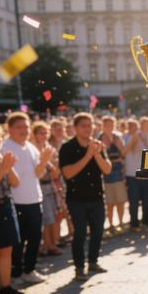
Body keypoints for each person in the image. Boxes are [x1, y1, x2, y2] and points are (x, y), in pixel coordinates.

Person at [59, 112, 112, 282]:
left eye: (90, 126)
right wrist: (88, 155)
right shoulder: (67, 147)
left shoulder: (97, 146)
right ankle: (79, 267)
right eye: (84, 126)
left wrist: (96, 154)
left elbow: (107, 169)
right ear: (75, 128)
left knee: (97, 232)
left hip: (96, 197)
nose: (88, 129)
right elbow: (68, 173)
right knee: (80, 233)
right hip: (76, 199)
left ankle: (93, 262)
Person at [2, 112, 53, 285]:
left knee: (34, 238)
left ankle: (29, 270)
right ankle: (15, 274)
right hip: (16, 202)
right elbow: (11, 181)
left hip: (34, 199)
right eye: (19, 127)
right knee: (17, 242)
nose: (24, 130)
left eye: (26, 126)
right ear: (9, 129)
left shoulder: (30, 147)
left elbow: (38, 173)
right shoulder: (5, 148)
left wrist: (44, 161)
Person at [0, 122, 22, 294]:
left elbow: (15, 182)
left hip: (5, 205)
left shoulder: (1, 157)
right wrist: (3, 169)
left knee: (7, 249)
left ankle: (6, 286)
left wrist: (8, 167)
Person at [31, 121, 62, 257]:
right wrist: (47, 162)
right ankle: (47, 245)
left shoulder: (49, 148)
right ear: (35, 134)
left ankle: (50, 243)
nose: (44, 136)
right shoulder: (32, 148)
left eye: (46, 133)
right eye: (41, 133)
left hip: (50, 184)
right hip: (38, 186)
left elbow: (56, 171)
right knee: (45, 218)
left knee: (52, 217)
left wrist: (51, 163)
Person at [123, 118, 148, 230]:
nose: (133, 129)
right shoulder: (127, 137)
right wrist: (134, 140)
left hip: (145, 173)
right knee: (134, 200)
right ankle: (134, 223)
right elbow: (124, 152)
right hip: (132, 174)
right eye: (130, 126)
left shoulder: (147, 136)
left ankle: (146, 221)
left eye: (135, 126)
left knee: (147, 199)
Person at [99, 115, 127, 232]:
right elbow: (101, 158)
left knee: (120, 201)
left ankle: (121, 222)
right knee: (110, 203)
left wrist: (118, 144)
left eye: (111, 125)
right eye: (107, 125)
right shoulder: (99, 138)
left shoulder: (118, 137)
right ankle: (111, 225)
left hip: (119, 173)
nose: (109, 128)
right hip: (106, 175)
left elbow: (123, 154)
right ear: (103, 126)